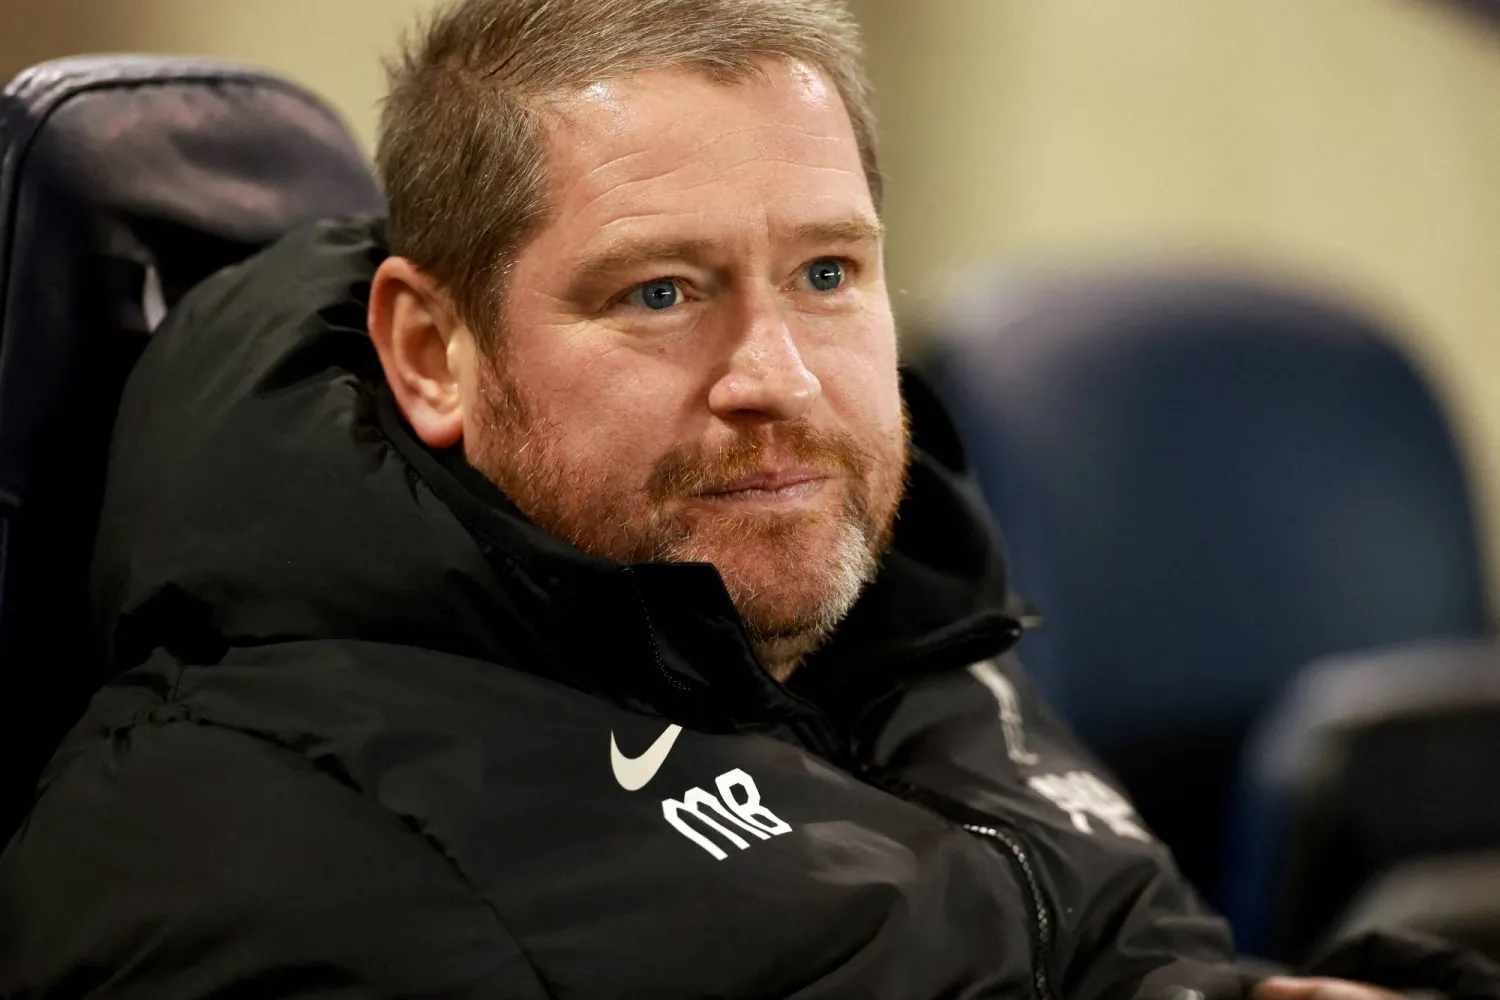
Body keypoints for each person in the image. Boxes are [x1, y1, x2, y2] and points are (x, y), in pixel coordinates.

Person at [0, 2, 1493, 997]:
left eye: (828, 273)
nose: (774, 372)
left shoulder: (866, 593)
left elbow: (1126, 950)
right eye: (662, 292)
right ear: (431, 352)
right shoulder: (256, 869)